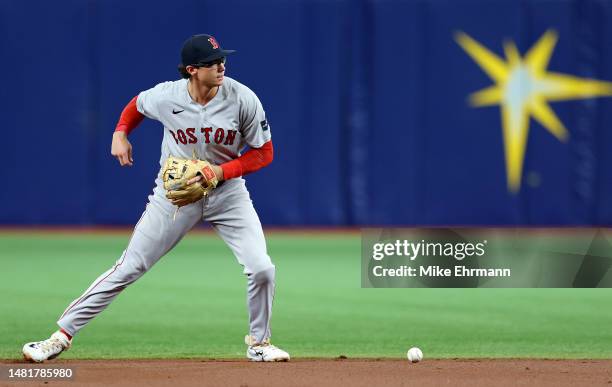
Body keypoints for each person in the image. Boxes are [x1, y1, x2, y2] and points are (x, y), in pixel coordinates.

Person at [22, 34, 289, 363]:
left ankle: (259, 344)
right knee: (128, 267)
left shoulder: (242, 98)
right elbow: (136, 106)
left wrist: (221, 173)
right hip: (175, 197)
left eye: (222, 59)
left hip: (228, 194)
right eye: (212, 62)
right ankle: (59, 337)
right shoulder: (166, 95)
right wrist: (120, 133)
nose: (221, 66)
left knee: (262, 268)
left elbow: (264, 153)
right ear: (192, 70)